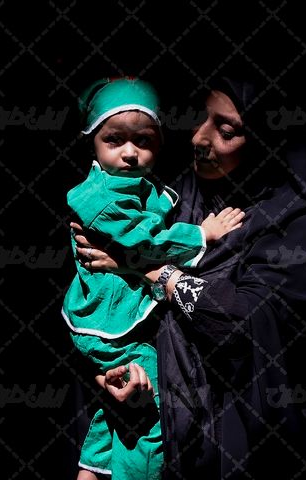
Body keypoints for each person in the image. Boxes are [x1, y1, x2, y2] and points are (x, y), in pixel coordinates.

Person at [71, 76, 306, 479]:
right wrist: (108, 375)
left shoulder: (291, 222)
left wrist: (145, 267)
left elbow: (243, 325)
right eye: (199, 118)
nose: (198, 138)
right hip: (151, 418)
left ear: (264, 142)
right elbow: (102, 305)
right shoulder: (167, 193)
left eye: (225, 131)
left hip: (235, 443)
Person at [62, 76, 245, 480]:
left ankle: (90, 472)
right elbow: (146, 241)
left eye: (142, 140)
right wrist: (202, 235)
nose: (129, 153)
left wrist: (129, 265)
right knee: (153, 413)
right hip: (111, 327)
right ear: (92, 142)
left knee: (120, 408)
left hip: (115, 325)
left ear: (160, 143)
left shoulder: (137, 186)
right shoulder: (101, 198)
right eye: (114, 140)